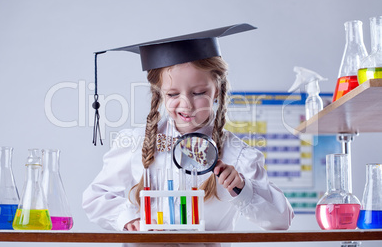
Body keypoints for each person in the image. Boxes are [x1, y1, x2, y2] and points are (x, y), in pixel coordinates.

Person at [82, 24, 294, 235]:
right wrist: (130, 219)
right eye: (173, 95)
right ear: (160, 94)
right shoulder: (136, 143)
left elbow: (281, 220)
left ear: (217, 91)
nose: (186, 105)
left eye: (198, 92)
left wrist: (242, 188)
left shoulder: (237, 154)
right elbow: (96, 197)